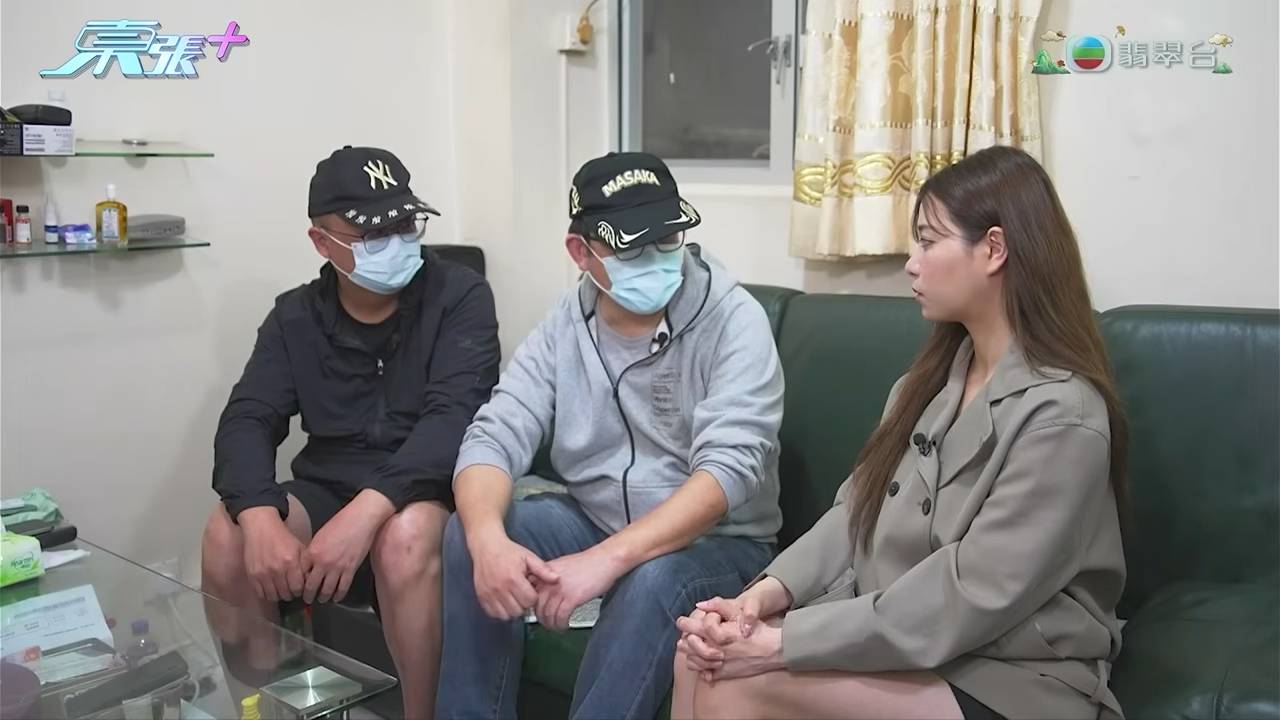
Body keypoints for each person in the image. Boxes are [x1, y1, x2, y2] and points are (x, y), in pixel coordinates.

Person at [673, 145, 1128, 720]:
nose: (911, 263)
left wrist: (782, 643)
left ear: (993, 249)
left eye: (929, 242)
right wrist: (759, 600)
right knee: (696, 659)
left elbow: (975, 592)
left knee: (735, 683)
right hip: (905, 643)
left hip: (1012, 671)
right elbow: (855, 511)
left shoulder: (1063, 414)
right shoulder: (925, 385)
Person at [436, 151, 783, 720]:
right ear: (581, 252)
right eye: (631, 246)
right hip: (595, 517)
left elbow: (727, 472)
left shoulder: (733, 319)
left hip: (717, 543)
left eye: (666, 239)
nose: (656, 257)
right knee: (467, 531)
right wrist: (486, 537)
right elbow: (495, 433)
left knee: (654, 576)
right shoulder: (565, 322)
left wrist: (605, 561)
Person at [201, 146, 500, 719]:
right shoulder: (294, 316)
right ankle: (261, 706)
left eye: (405, 224)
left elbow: (455, 420)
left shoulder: (459, 296)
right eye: (374, 233)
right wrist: (259, 517)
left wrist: (366, 514)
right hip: (328, 490)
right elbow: (247, 419)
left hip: (425, 494)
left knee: (405, 535)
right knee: (226, 531)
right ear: (322, 242)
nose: (398, 242)